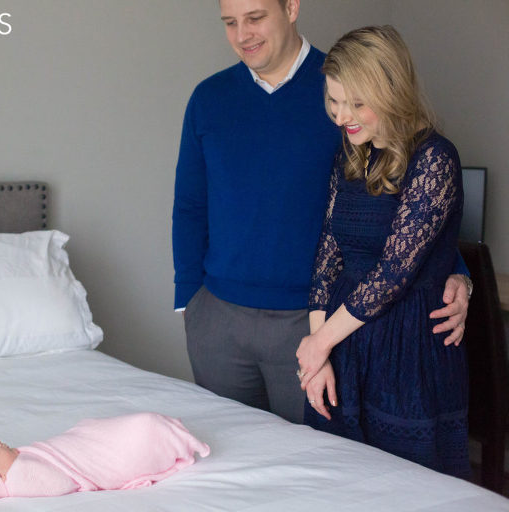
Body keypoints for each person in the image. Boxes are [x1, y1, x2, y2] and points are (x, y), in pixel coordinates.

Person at [171, 0, 471, 424]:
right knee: (225, 452)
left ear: (291, 7)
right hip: (219, 319)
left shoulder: (348, 86)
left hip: (317, 318)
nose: (242, 35)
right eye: (230, 23)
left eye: (255, 18)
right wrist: (189, 301)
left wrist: (456, 271)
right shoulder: (209, 98)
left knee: (318, 457)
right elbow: (189, 204)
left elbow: (405, 194)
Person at [296, 25, 469, 477]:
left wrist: (319, 343)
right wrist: (319, 356)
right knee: (335, 481)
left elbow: (394, 272)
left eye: (356, 104)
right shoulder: (351, 155)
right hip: (344, 342)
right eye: (334, 101)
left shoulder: (434, 159)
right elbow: (328, 254)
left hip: (406, 350)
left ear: (391, 91)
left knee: (407, 487)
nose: (341, 116)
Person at [0, 412, 210, 502]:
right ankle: (166, 436)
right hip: (96, 458)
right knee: (142, 430)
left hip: (80, 443)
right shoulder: (19, 479)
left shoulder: (15, 465)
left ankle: (167, 434)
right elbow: (60, 481)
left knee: (101, 430)